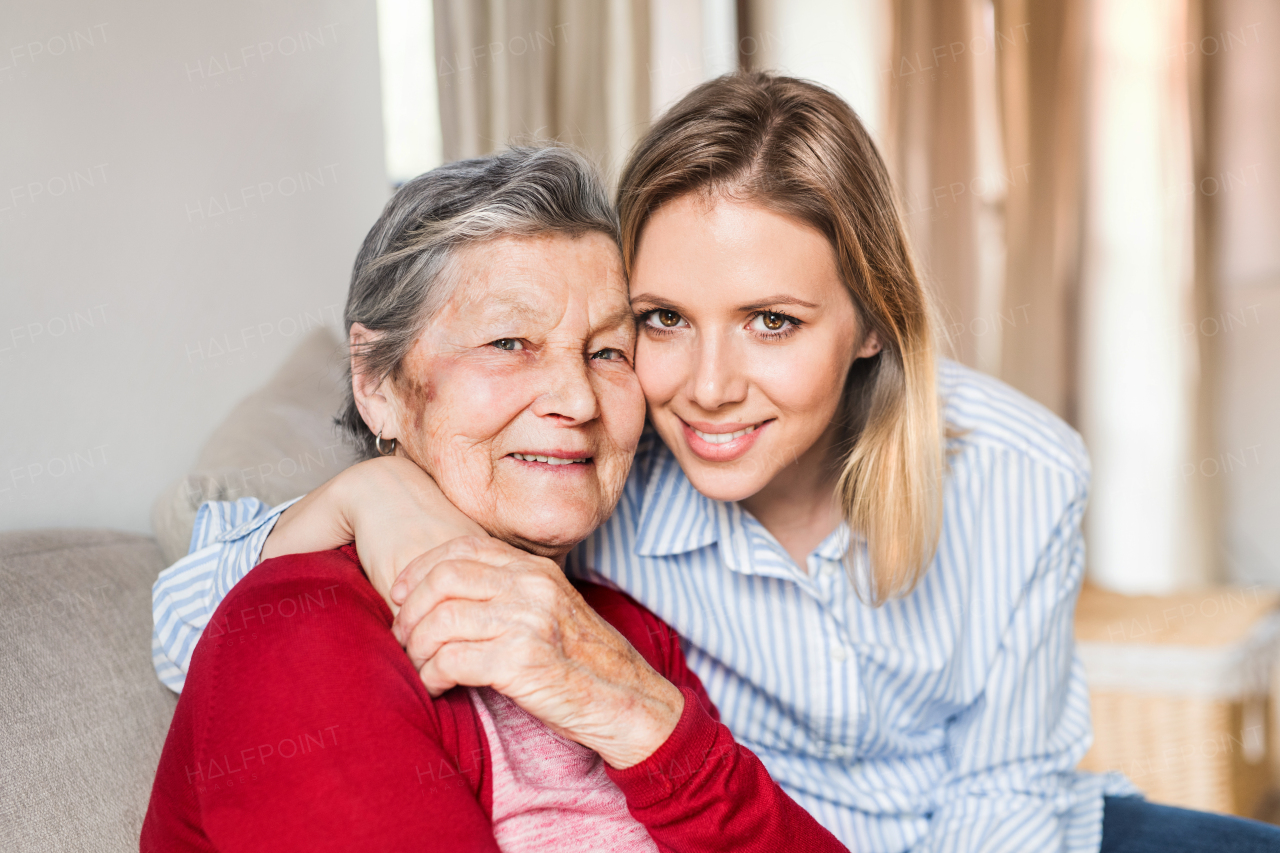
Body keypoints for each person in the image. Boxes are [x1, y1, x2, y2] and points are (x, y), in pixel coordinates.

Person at [153, 74, 1280, 852]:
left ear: (873, 322)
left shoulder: (1016, 471)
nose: (704, 387)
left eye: (773, 322)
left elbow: (1001, 789)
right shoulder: (597, 467)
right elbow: (208, 625)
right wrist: (369, 493)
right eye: (658, 320)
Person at [142, 146, 847, 852]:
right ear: (375, 383)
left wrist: (639, 713)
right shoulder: (297, 631)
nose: (577, 400)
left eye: (608, 352)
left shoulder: (628, 634)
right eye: (509, 342)